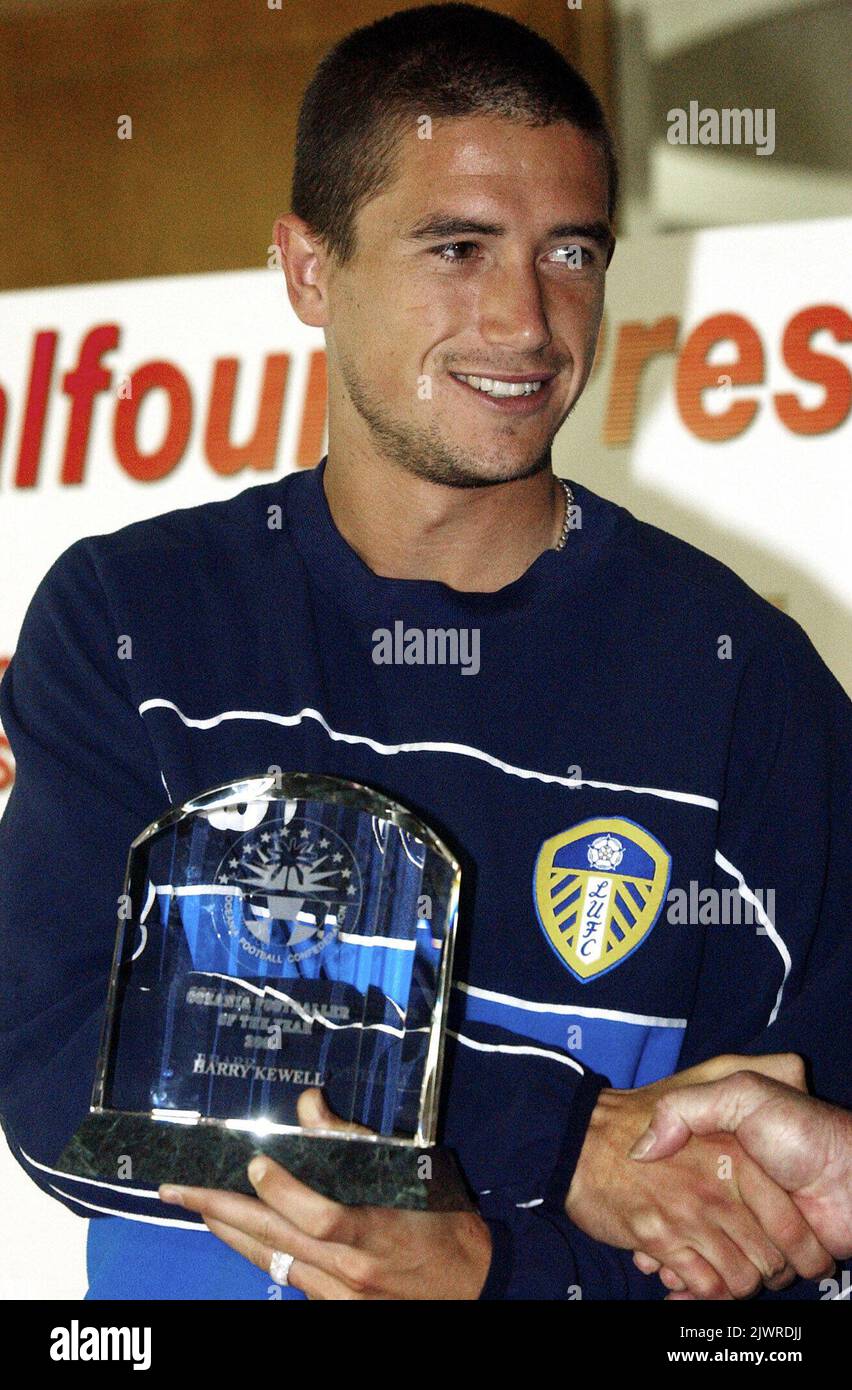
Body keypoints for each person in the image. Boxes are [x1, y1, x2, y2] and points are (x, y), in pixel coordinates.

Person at [0, 3, 849, 1301]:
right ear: (306, 269)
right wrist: (553, 1134)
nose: (526, 320)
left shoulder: (747, 682)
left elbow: (787, 1233)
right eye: (457, 247)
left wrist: (495, 1267)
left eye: (570, 251)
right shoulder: (132, 621)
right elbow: (61, 1065)